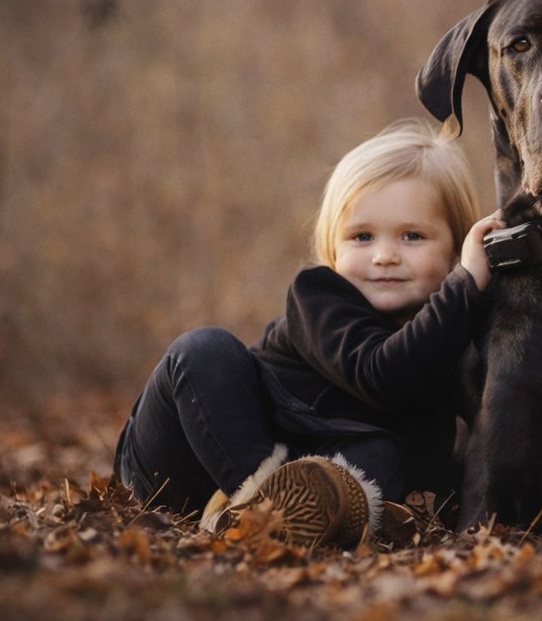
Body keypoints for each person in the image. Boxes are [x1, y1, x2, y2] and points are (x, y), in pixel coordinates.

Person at [112, 121, 503, 548]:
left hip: (310, 480)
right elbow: (384, 374)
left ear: (456, 249)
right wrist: (465, 285)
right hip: (184, 457)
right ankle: (253, 503)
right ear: (333, 249)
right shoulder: (320, 297)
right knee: (204, 350)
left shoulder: (452, 341)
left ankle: (262, 518)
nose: (385, 255)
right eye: (361, 236)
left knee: (381, 455)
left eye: (412, 236)